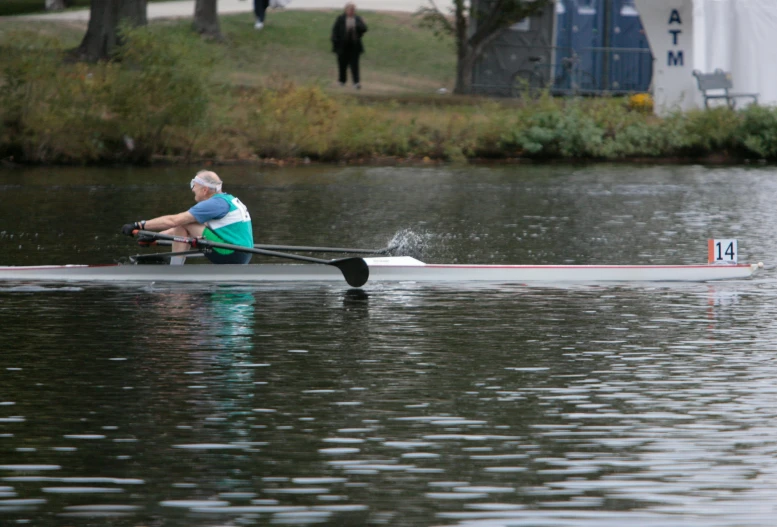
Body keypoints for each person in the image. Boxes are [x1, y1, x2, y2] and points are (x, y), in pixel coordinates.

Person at [121, 170, 254, 264]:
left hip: (231, 254)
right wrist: (156, 236)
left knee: (183, 221)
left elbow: (174, 221)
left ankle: (175, 269)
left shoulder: (214, 204)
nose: (192, 189)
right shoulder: (225, 200)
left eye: (193, 185)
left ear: (205, 190)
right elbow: (191, 228)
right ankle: (176, 265)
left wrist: (138, 225)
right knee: (187, 223)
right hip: (241, 254)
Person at [331, 3, 367, 89]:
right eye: (350, 10)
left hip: (354, 46)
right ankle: (342, 81)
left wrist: (358, 24)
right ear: (346, 10)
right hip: (342, 46)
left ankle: (356, 83)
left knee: (354, 65)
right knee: (342, 65)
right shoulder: (340, 19)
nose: (351, 12)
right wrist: (336, 43)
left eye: (353, 10)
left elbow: (364, 29)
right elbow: (335, 31)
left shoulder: (357, 19)